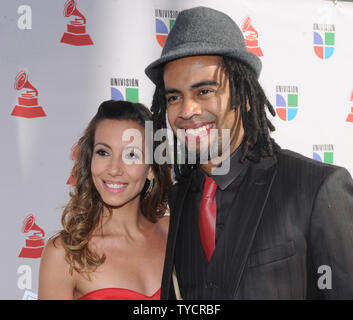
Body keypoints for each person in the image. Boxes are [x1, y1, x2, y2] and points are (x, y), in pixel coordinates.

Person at [145, 6, 353, 299]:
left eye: (204, 91)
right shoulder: (177, 201)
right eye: (174, 97)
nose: (187, 110)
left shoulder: (316, 188)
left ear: (244, 96)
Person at [38, 100, 172, 300]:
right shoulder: (66, 255)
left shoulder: (174, 232)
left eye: (131, 154)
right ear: (90, 159)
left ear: (151, 169)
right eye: (103, 152)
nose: (114, 169)